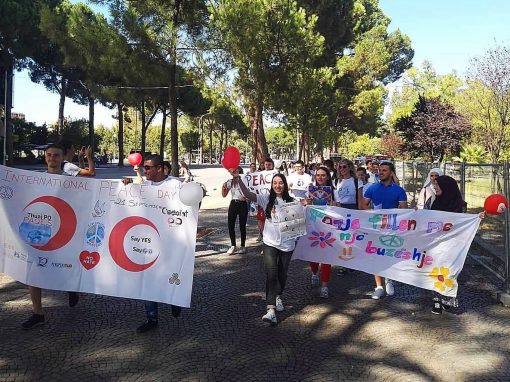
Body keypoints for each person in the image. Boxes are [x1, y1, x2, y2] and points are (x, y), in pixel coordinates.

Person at [21, 144, 80, 330]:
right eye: (49, 155)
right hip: (41, 230)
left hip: (65, 231)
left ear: (63, 158)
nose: (52, 158)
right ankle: (38, 313)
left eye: (56, 155)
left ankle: (72, 288)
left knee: (67, 266)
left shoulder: (71, 181)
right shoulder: (36, 179)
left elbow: (92, 192)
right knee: (33, 272)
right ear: (45, 157)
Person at [122, 154, 183, 333]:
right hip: (149, 239)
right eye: (144, 168)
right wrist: (126, 185)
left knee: (169, 273)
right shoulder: (145, 185)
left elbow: (191, 204)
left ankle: (174, 298)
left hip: (171, 239)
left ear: (158, 169)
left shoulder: (175, 184)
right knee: (148, 278)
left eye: (147, 168)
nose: (144, 171)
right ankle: (151, 318)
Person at [238, 173, 297, 325]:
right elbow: (247, 194)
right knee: (271, 274)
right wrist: (238, 180)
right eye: (275, 183)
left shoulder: (293, 202)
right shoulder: (266, 199)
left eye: (280, 183)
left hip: (287, 244)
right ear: (272, 185)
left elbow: (299, 222)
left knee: (282, 274)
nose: (278, 186)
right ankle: (270, 310)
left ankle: (278, 296)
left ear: (285, 185)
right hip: (269, 242)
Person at [426, 175, 482, 314]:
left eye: (438, 185)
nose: (435, 187)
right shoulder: (434, 202)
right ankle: (437, 301)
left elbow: (463, 224)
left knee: (449, 273)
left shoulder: (460, 206)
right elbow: (426, 220)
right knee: (435, 273)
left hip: (452, 247)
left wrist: (477, 218)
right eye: (435, 185)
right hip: (436, 246)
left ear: (447, 188)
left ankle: (448, 298)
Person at [361, 161, 408, 300]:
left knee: (388, 255)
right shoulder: (372, 188)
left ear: (391, 172)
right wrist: (375, 215)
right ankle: (379, 287)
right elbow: (363, 205)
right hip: (376, 228)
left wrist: (391, 216)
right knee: (376, 255)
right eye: (380, 170)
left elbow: (404, 210)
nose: (381, 172)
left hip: (392, 229)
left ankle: (389, 278)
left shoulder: (399, 191)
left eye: (384, 170)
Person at [304, 166, 336, 298]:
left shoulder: (334, 192)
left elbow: (339, 209)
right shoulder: (310, 190)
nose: (320, 178)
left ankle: (324, 286)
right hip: (313, 225)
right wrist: (308, 202)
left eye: (323, 175)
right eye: (318, 175)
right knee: (313, 255)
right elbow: (305, 206)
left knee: (326, 256)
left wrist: (332, 203)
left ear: (327, 177)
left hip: (328, 226)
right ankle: (314, 272)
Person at [222, 166, 248, 255]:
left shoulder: (244, 181)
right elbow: (224, 195)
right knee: (230, 225)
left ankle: (243, 245)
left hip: (242, 204)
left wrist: (247, 197)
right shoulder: (230, 182)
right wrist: (223, 188)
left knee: (242, 225)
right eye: (233, 172)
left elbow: (249, 193)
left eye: (236, 172)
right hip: (233, 203)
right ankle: (233, 245)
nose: (234, 173)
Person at [256, 158, 274, 242]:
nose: (267, 166)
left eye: (269, 164)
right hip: (262, 199)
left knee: (270, 219)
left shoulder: (275, 174)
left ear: (272, 165)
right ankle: (261, 234)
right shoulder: (260, 174)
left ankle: (269, 238)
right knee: (260, 218)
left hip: (272, 200)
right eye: (265, 164)